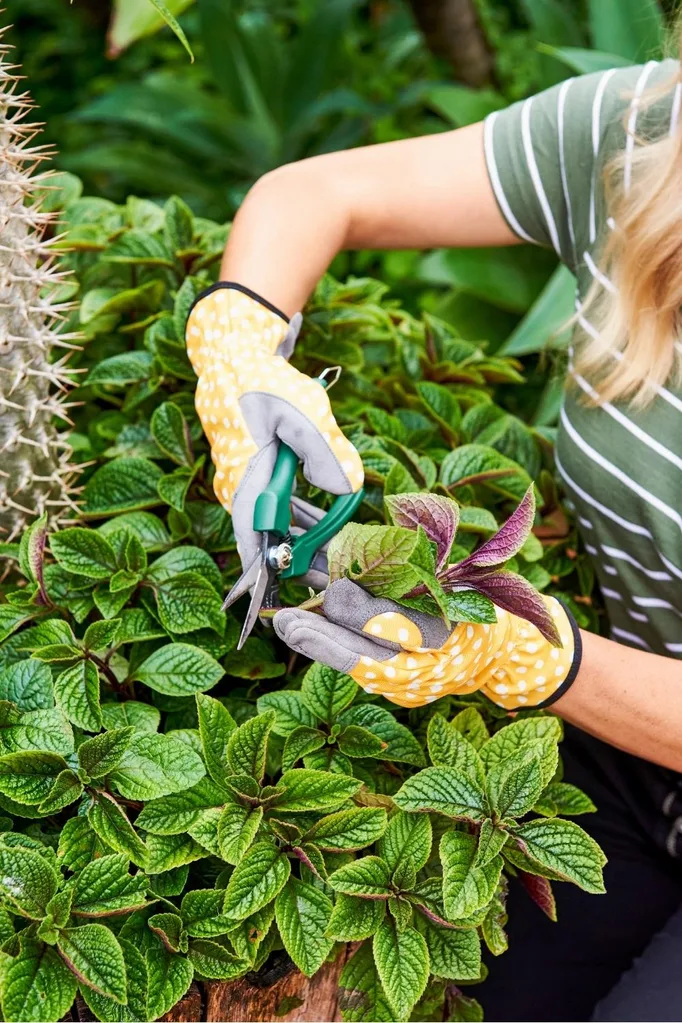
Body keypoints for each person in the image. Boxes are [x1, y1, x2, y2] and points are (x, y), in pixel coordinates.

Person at [185, 46, 682, 1022]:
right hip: (623, 769)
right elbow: (320, 193)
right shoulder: (643, 136)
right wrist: (238, 354)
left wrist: (526, 660)